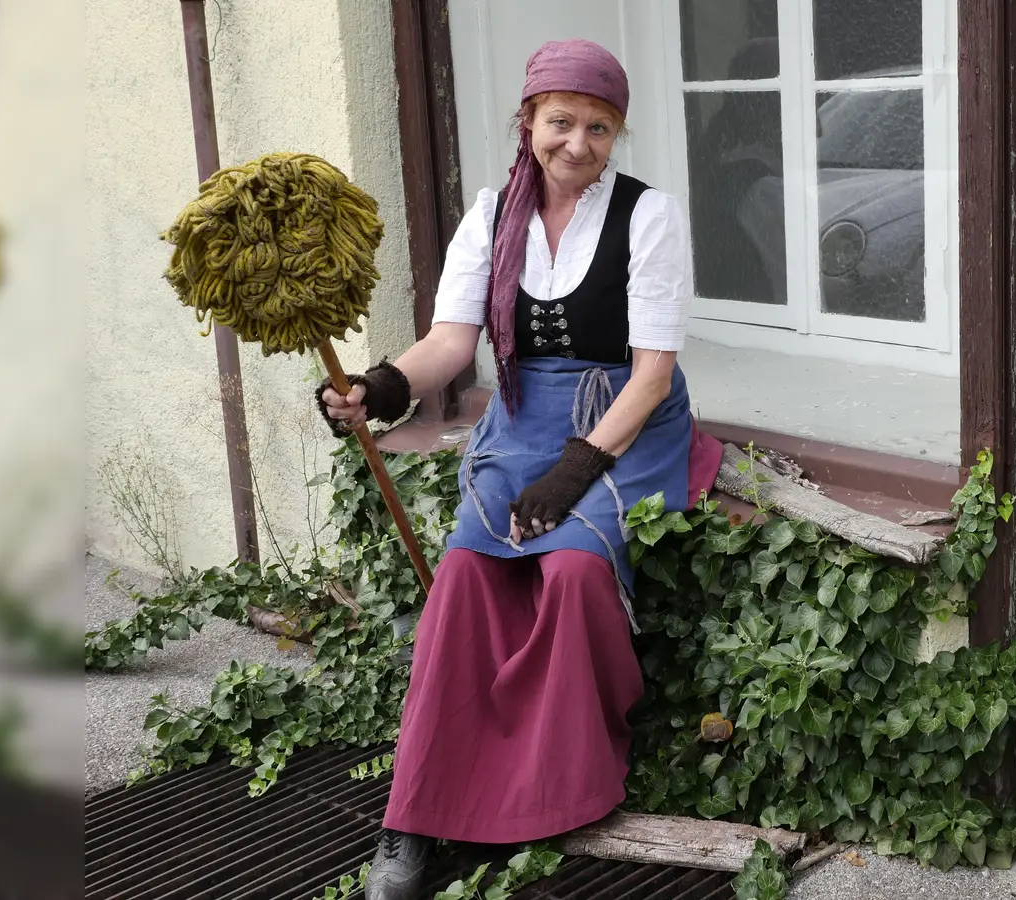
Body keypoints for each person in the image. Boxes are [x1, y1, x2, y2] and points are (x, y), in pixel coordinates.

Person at [314, 38, 723, 900]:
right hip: (523, 419)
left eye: (600, 129)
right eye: (562, 122)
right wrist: (379, 389)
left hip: (622, 426)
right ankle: (414, 817)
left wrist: (575, 473)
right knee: (465, 572)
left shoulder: (648, 215)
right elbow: (451, 344)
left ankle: (557, 783)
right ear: (528, 120)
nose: (579, 143)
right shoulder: (492, 212)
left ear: (617, 136)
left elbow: (652, 372)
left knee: (573, 570)